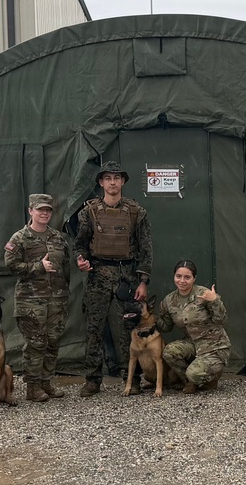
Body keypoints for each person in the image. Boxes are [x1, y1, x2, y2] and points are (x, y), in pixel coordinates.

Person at [75, 161, 153, 397]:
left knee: (129, 329)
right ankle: (92, 379)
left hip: (126, 276)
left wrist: (143, 281)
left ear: (123, 182)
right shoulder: (88, 212)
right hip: (98, 274)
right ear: (101, 182)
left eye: (116, 178)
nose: (112, 182)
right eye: (107, 178)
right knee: (93, 329)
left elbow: (145, 248)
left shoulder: (136, 212)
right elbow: (80, 244)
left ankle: (132, 378)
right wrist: (81, 260)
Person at [4, 194, 78, 402]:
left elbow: (65, 268)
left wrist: (63, 292)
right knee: (36, 343)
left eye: (48, 210)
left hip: (56, 299)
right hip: (31, 301)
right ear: (31, 211)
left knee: (53, 341)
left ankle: (46, 381)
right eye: (40, 210)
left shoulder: (58, 238)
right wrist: (37, 267)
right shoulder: (19, 238)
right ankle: (33, 386)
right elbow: (11, 265)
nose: (44, 213)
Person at [156, 260, 231, 393]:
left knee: (194, 374)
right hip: (192, 343)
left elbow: (221, 321)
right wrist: (151, 318)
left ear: (194, 278)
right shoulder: (169, 300)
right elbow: (166, 327)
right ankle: (189, 382)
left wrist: (215, 301)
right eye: (178, 276)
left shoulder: (205, 294)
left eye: (187, 277)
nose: (182, 281)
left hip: (214, 345)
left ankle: (207, 378)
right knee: (169, 352)